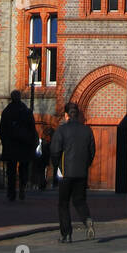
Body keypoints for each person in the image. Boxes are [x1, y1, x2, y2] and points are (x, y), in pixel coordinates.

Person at [49, 102, 96, 243]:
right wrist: (85, 165)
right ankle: (87, 219)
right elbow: (92, 151)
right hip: (81, 172)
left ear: (66, 115)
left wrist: (57, 166)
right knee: (80, 200)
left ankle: (66, 234)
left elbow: (55, 151)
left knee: (63, 203)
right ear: (78, 114)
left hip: (65, 172)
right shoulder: (87, 130)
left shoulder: (61, 130)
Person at [0, 90, 37, 201]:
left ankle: (11, 192)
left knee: (11, 170)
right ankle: (22, 188)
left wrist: (5, 142)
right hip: (24, 145)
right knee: (23, 168)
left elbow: (2, 130)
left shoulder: (7, 111)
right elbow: (32, 129)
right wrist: (31, 142)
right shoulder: (26, 111)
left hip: (11, 145)